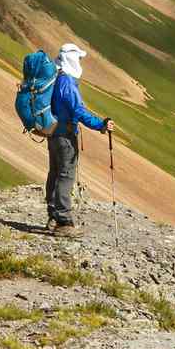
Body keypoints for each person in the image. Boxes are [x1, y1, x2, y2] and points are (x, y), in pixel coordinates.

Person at [46, 42, 111, 236]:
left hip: (53, 133)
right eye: (79, 58)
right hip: (65, 135)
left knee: (55, 173)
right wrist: (101, 124)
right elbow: (78, 111)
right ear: (73, 60)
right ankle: (63, 222)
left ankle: (53, 215)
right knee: (66, 175)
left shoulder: (56, 76)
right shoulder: (67, 83)